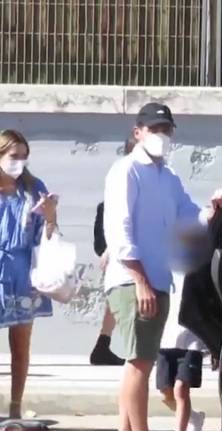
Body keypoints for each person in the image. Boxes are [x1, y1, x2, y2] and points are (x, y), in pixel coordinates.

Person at [104, 103, 222, 431]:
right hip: (133, 279)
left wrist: (215, 207)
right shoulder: (126, 171)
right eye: (154, 128)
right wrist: (139, 279)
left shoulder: (167, 177)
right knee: (140, 363)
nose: (161, 135)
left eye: (167, 129)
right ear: (137, 131)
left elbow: (190, 218)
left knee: (135, 362)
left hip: (157, 279)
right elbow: (119, 229)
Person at [0, 130, 58, 419]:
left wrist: (50, 216)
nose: (19, 162)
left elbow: (48, 235)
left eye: (24, 156)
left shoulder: (34, 188)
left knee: (20, 345)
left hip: (23, 272)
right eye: (13, 156)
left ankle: (15, 406)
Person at [90, 133, 138, 366]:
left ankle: (104, 344)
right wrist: (108, 250)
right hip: (124, 258)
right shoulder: (120, 184)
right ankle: (107, 345)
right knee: (122, 298)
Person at [156, 268, 208, 431]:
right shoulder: (161, 266)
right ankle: (194, 418)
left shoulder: (199, 270)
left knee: (181, 389)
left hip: (191, 340)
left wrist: (212, 344)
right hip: (165, 338)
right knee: (166, 393)